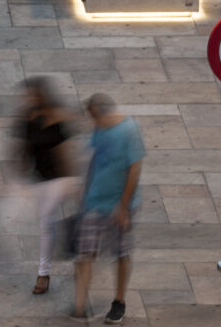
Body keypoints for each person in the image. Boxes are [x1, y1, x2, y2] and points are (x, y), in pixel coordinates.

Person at [70, 93, 144, 326]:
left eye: (94, 118)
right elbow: (94, 158)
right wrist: (84, 187)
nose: (93, 124)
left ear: (104, 113)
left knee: (121, 253)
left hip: (119, 206)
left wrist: (123, 207)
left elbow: (134, 169)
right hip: (94, 202)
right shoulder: (99, 128)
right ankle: (79, 307)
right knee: (85, 253)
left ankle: (119, 302)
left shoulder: (130, 130)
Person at [16, 77, 77, 297]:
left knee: (46, 222)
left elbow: (65, 149)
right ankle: (57, 261)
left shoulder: (55, 116)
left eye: (32, 95)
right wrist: (17, 177)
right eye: (27, 95)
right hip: (39, 179)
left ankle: (43, 273)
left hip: (58, 178)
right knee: (47, 223)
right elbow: (20, 149)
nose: (28, 99)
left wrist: (70, 180)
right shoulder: (25, 119)